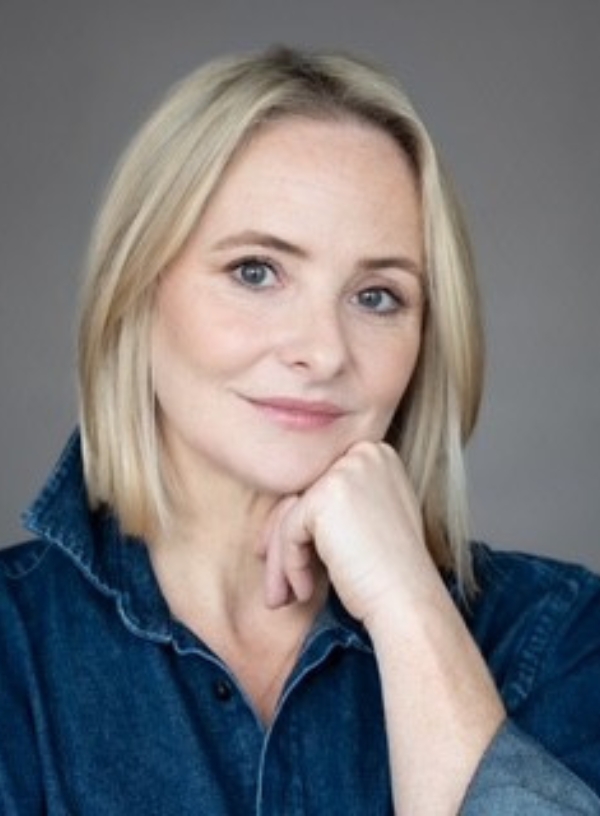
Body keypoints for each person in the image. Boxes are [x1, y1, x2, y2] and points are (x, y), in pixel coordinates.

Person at [1, 46, 599, 815]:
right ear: (138, 294)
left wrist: (410, 607)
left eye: (378, 296)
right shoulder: (16, 653)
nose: (321, 351)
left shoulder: (556, 638)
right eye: (256, 271)